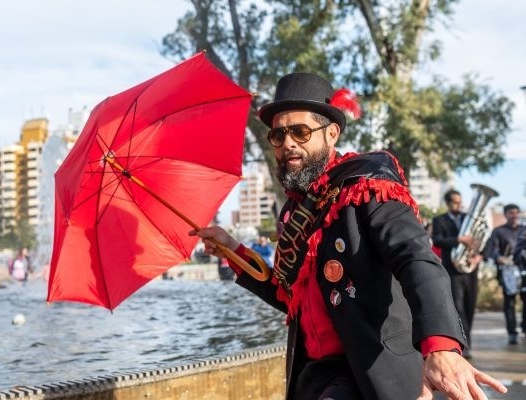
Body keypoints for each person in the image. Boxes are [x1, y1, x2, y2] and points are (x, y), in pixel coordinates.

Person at [190, 72, 505, 400]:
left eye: (300, 131)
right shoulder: (291, 214)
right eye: (278, 135)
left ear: (331, 134)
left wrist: (441, 346)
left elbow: (416, 259)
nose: (287, 144)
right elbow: (291, 299)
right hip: (313, 376)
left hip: (373, 371)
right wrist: (231, 250)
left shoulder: (369, 187)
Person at [432, 189, 483, 357]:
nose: (459, 205)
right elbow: (437, 240)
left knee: (470, 307)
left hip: (470, 271)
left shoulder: (468, 219)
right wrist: (458, 240)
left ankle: (468, 341)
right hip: (453, 271)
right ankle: (464, 345)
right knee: (458, 308)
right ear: (447, 203)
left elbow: (482, 240)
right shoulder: (439, 220)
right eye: (455, 202)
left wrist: (479, 255)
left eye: (460, 202)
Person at [486, 204, 526, 344]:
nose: (514, 215)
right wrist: (499, 258)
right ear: (505, 214)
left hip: (523, 270)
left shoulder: (524, 229)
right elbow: (491, 250)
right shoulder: (498, 231)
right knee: (509, 303)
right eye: (511, 213)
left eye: (516, 212)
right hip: (507, 271)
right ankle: (512, 333)